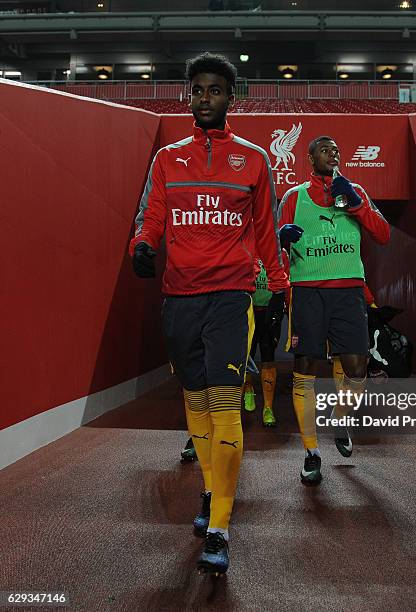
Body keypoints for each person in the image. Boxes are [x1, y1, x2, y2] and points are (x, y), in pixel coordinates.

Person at [130, 52, 288, 574]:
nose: (205, 98)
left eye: (215, 90)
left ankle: (219, 524)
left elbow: (265, 229)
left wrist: (281, 282)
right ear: (188, 96)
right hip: (179, 296)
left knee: (223, 398)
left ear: (230, 98)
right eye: (198, 90)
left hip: (230, 295)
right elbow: (152, 214)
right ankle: (211, 487)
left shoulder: (254, 159)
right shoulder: (167, 160)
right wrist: (142, 244)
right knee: (194, 398)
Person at [278, 135, 390, 486]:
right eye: (325, 149)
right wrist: (280, 236)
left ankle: (341, 418)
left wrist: (355, 204)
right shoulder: (293, 197)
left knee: (357, 369)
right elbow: (273, 246)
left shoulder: (354, 190)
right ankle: (311, 452)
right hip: (308, 290)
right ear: (310, 157)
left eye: (337, 150)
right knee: (306, 368)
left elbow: (383, 234)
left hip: (348, 291)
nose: (334, 153)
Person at [243, 252, 289, 426]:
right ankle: (248, 389)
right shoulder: (246, 245)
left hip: (270, 311)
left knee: (268, 357)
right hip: (249, 309)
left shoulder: (279, 252)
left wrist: (284, 309)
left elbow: (286, 281)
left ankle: (268, 408)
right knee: (246, 355)